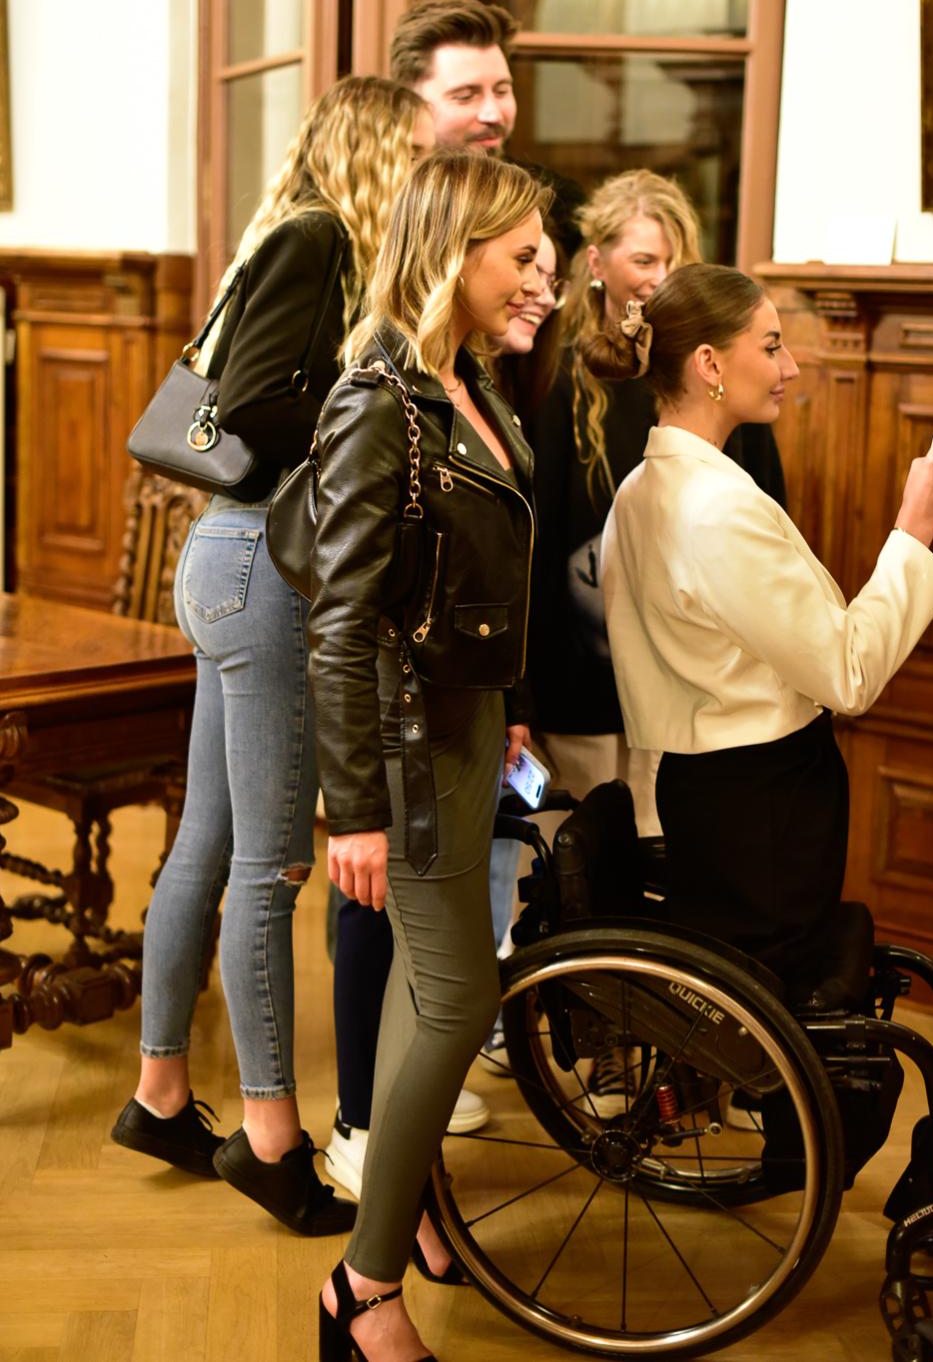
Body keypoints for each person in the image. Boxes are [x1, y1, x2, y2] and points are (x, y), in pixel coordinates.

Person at [111, 76, 434, 1239]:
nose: (421, 173)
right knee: (269, 866)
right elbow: (250, 407)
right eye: (412, 150)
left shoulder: (290, 232)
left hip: (228, 558)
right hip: (262, 569)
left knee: (208, 839)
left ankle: (159, 1094)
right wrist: (371, 415)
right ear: (374, 153)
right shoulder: (319, 239)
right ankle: (269, 1138)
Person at [310, 147, 547, 1362]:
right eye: (522, 258)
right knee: (458, 1000)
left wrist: (508, 704)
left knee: (427, 990)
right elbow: (340, 622)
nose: (542, 280)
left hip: (466, 726)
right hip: (405, 748)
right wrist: (350, 807)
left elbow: (479, 566)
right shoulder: (379, 396)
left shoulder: (471, 382)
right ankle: (361, 1291)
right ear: (452, 255)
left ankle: (405, 1212)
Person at [600, 263, 933, 997]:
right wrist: (917, 525)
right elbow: (849, 675)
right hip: (764, 799)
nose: (792, 366)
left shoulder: (641, 488)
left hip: (707, 786)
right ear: (710, 363)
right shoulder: (714, 507)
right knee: (775, 1002)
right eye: (772, 345)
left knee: (746, 996)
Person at [529, 169, 785, 839]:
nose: (660, 277)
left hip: (691, 680)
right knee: (582, 853)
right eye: (644, 260)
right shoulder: (557, 373)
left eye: (674, 261)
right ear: (597, 264)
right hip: (581, 683)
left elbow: (768, 513)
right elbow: (537, 541)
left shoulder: (716, 373)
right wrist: (524, 692)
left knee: (666, 848)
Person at [389, 0, 584, 255]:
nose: (493, 114)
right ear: (412, 103)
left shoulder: (558, 206)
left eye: (502, 91)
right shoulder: (377, 205)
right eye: (465, 96)